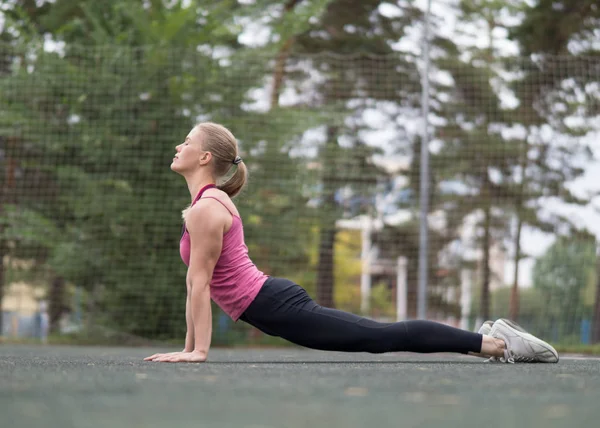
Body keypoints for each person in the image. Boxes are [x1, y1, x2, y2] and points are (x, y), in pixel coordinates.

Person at [144, 122, 559, 364]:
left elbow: (200, 285)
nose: (179, 145)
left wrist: (197, 352)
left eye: (187, 141)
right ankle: (490, 339)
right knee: (379, 337)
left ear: (204, 158)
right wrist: (187, 348)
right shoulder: (205, 204)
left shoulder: (206, 209)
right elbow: (195, 284)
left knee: (382, 337)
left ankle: (495, 344)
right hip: (270, 304)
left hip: (274, 304)